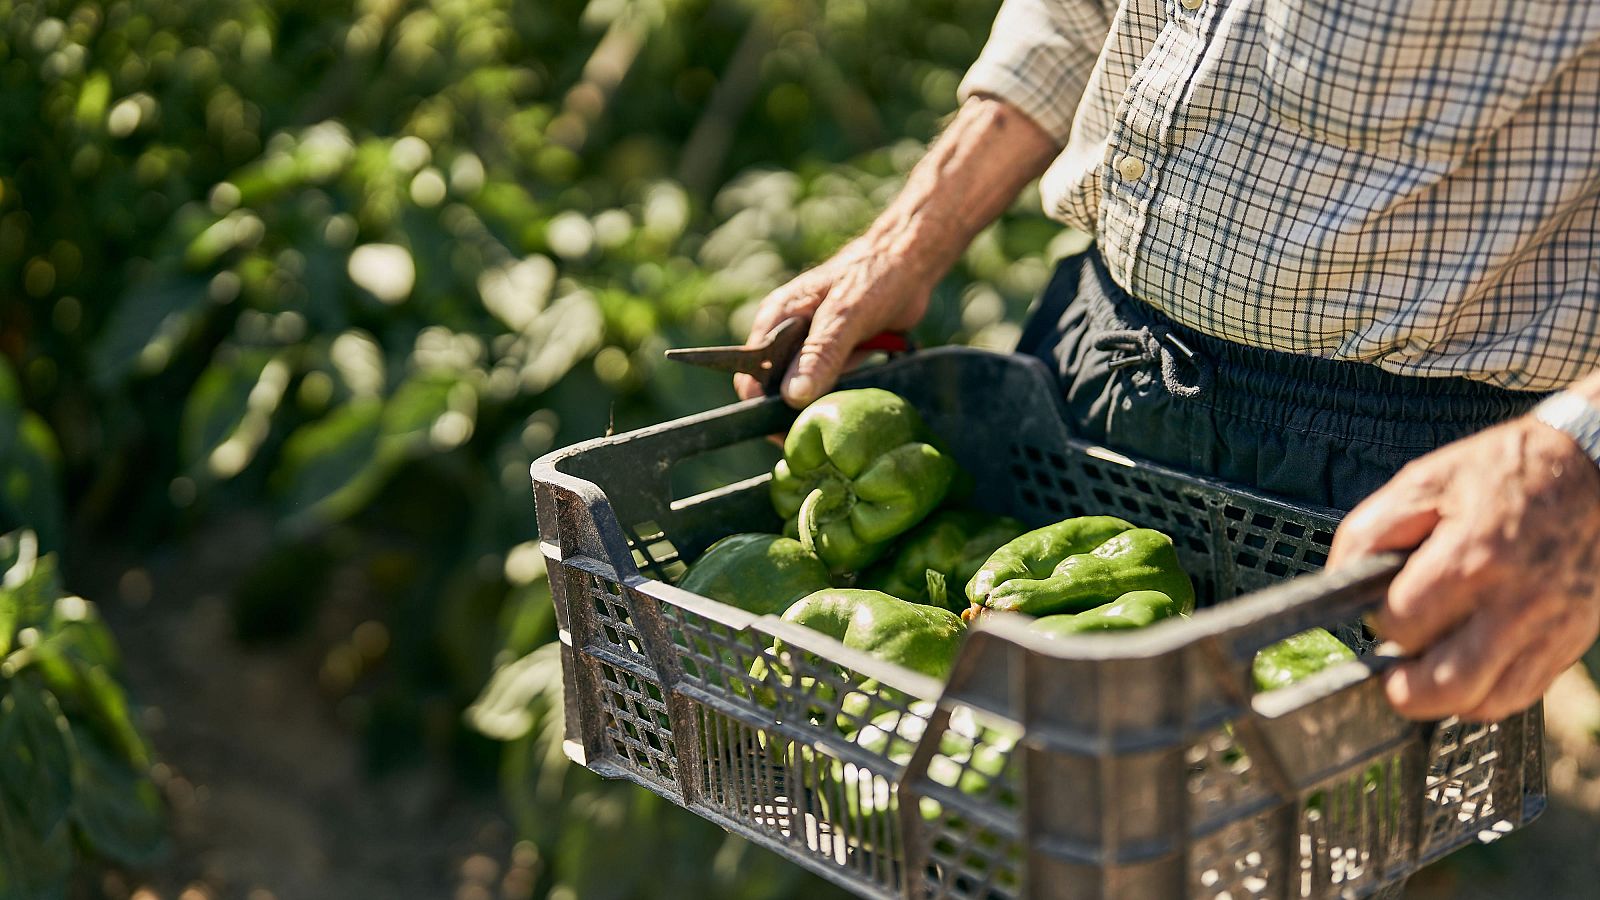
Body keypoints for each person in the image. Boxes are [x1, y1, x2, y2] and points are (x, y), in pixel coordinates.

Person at [734, 0, 1600, 723]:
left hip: (1397, 458)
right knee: (1011, 807)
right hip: (1092, 358)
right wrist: (909, 237)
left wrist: (1578, 455)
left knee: (1312, 821)